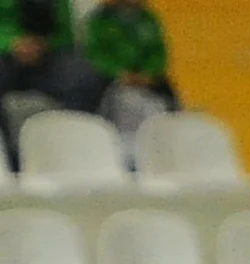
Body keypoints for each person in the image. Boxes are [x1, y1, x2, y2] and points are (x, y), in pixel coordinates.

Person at [0, 0, 106, 135]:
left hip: (48, 56)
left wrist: (43, 44)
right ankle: (6, 146)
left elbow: (66, 37)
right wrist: (11, 43)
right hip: (5, 54)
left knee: (89, 75)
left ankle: (70, 135)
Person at [83, 0, 175, 152]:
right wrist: (119, 73)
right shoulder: (98, 21)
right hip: (112, 79)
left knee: (163, 103)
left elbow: (158, 51)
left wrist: (148, 72)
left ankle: (163, 147)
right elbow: (95, 54)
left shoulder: (147, 18)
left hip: (148, 81)